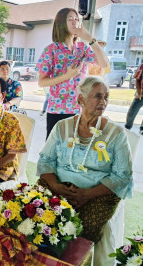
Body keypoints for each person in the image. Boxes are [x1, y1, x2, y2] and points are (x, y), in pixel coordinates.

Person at [37, 76, 133, 245]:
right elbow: (46, 161)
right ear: (81, 98)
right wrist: (56, 186)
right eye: (98, 96)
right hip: (60, 185)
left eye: (106, 96)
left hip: (98, 193)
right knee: (36, 215)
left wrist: (86, 194)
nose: (103, 101)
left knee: (83, 228)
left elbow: (122, 176)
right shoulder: (62, 126)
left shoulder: (116, 133)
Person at [36, 8, 109, 140]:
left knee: (77, 148)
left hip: (80, 110)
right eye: (70, 19)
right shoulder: (51, 50)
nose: (75, 22)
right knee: (54, 149)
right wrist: (67, 76)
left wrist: (90, 39)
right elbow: (41, 82)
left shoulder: (83, 48)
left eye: (76, 19)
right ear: (61, 24)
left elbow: (104, 63)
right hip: (57, 110)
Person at [125, 62, 143, 135]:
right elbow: (137, 79)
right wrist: (139, 93)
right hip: (141, 93)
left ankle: (142, 129)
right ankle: (127, 127)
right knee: (132, 110)